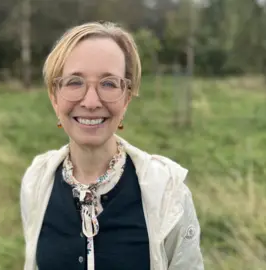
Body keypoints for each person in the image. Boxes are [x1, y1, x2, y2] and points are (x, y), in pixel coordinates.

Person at [19, 21, 204, 270]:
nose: (92, 101)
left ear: (126, 97)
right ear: (54, 96)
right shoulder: (36, 182)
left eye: (108, 84)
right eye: (75, 82)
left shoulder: (168, 193)